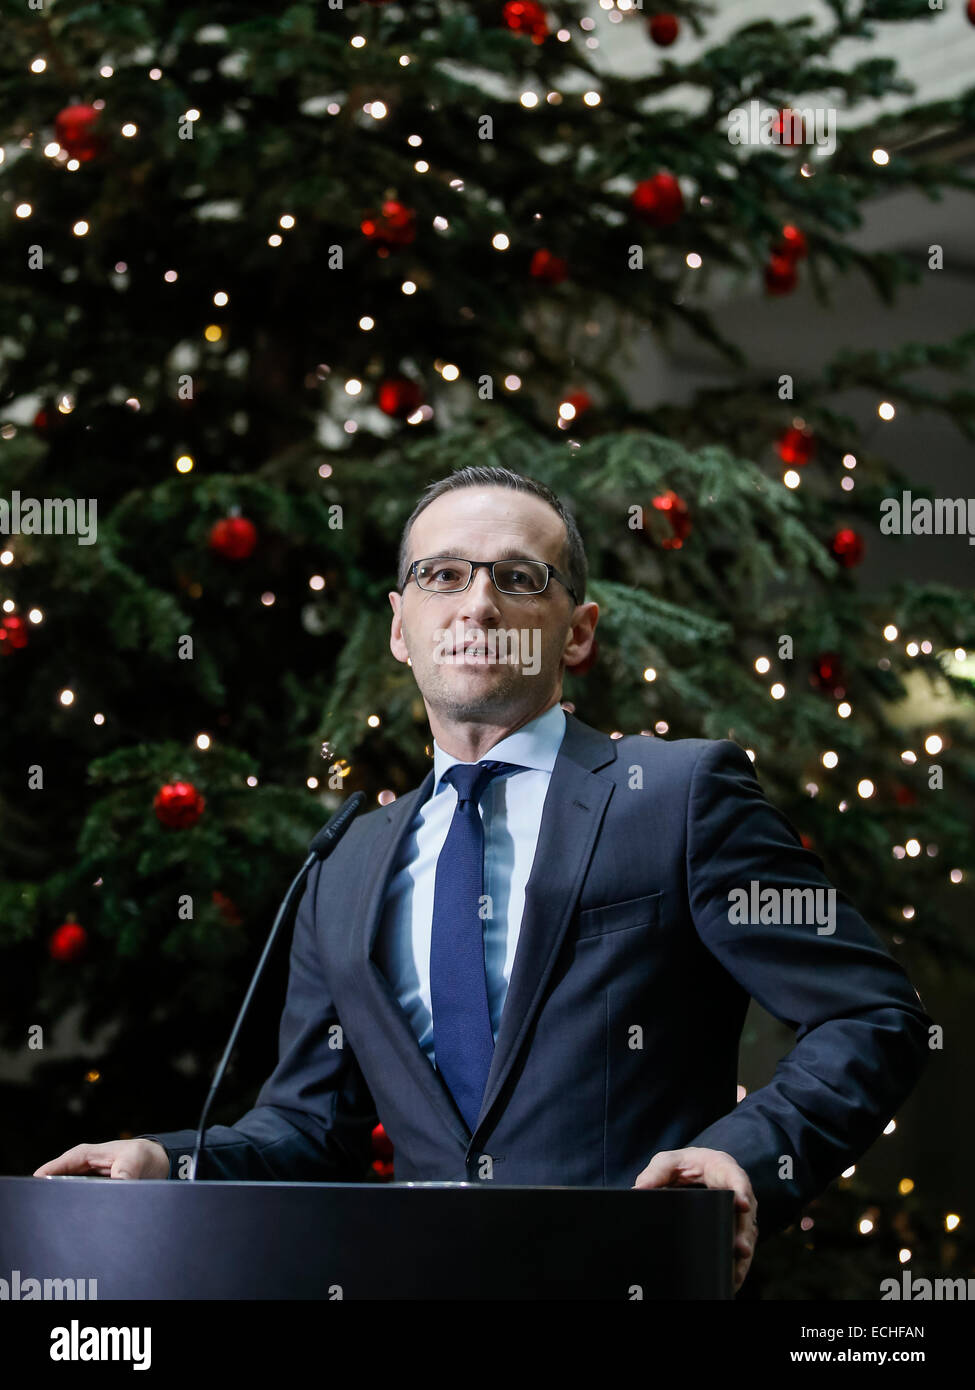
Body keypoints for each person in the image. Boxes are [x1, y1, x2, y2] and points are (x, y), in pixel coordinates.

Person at [35, 466, 934, 1294]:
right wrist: (166, 1161)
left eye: (518, 578)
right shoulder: (342, 864)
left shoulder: (675, 796)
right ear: (400, 625)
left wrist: (745, 1155)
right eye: (442, 576)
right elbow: (310, 1128)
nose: (477, 604)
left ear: (576, 631)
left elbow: (869, 1013)